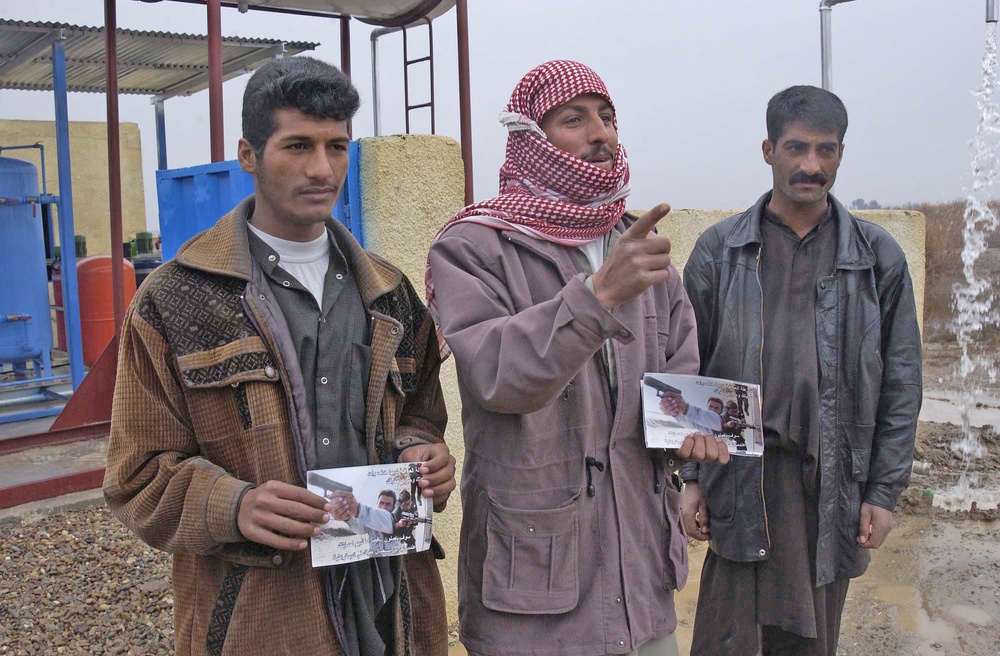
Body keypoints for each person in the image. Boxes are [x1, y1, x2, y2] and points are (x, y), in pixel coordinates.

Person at [104, 56, 455, 656]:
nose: (322, 169)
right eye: (297, 146)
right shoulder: (175, 299)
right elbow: (135, 476)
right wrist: (232, 505)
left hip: (391, 607)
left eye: (336, 147)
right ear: (248, 154)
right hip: (260, 619)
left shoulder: (391, 295)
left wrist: (424, 457)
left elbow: (421, 417)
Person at [426, 59, 730, 656]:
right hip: (535, 592)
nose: (601, 134)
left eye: (608, 117)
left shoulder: (640, 248)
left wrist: (692, 432)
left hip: (640, 580)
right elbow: (495, 377)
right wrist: (597, 298)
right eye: (574, 119)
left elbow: (679, 373)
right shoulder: (473, 246)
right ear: (531, 139)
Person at [679, 85, 922, 655]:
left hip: (831, 484)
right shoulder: (720, 252)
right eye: (796, 148)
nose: (811, 165)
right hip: (740, 483)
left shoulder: (875, 256)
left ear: (841, 153)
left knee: (811, 641)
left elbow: (902, 383)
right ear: (768, 151)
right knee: (727, 639)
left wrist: (883, 493)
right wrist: (688, 481)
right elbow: (686, 372)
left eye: (826, 150)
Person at [659, 393, 726, 435]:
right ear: (706, 407)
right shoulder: (701, 424)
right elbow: (689, 423)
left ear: (721, 411)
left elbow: (714, 419)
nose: (712, 410)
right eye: (710, 406)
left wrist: (686, 408)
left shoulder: (721, 422)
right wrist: (675, 413)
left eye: (716, 408)